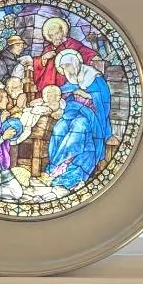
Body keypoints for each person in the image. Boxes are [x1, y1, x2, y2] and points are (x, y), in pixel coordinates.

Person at [43, 50, 112, 190]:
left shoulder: (94, 77)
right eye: (63, 68)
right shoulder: (71, 81)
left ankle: (64, 169)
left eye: (68, 66)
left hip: (92, 116)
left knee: (79, 127)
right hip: (72, 112)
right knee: (60, 127)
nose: (66, 71)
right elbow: (64, 96)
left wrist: (86, 95)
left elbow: (104, 100)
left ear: (75, 63)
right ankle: (56, 166)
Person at [33, 17, 101, 92]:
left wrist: (93, 56)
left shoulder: (71, 43)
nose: (55, 37)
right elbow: (37, 66)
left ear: (62, 31)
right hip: (48, 84)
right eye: (52, 35)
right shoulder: (48, 49)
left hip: (67, 80)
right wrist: (44, 58)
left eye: (57, 33)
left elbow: (84, 51)